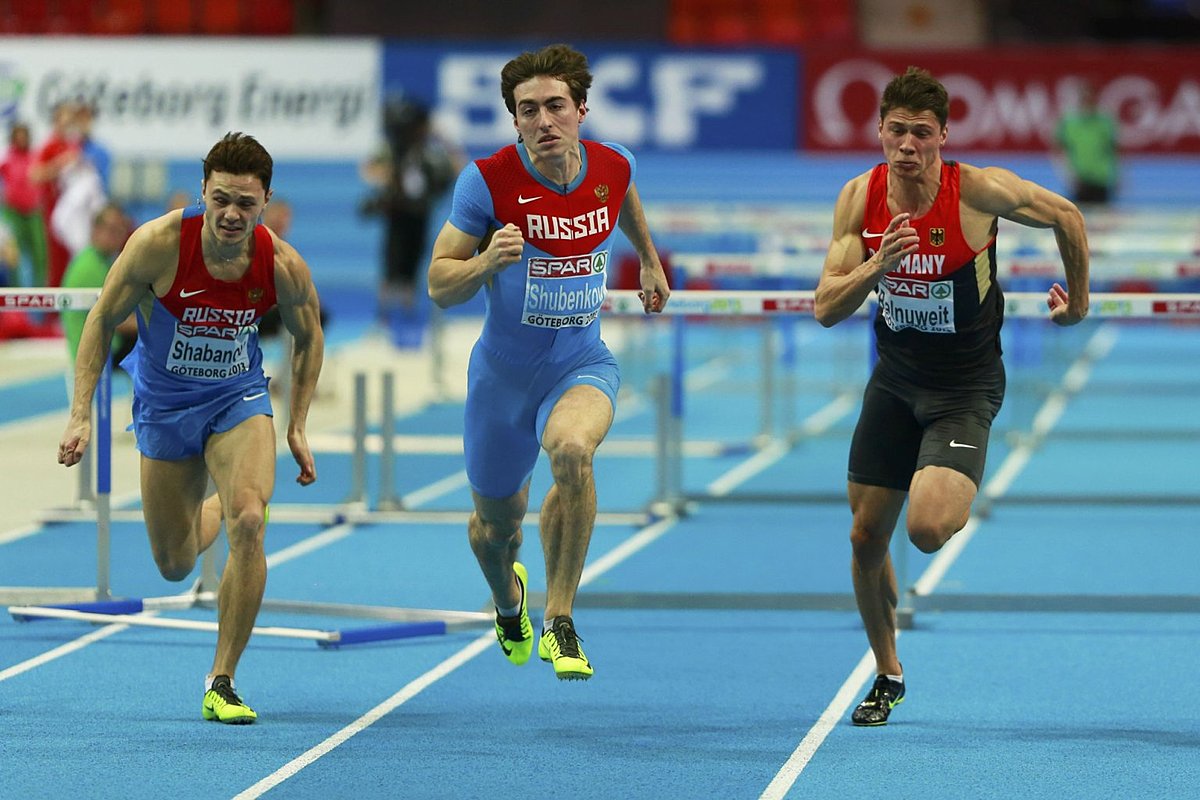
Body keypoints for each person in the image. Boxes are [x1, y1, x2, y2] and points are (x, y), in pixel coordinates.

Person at [814, 67, 1090, 726]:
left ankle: (951, 468)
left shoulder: (978, 191)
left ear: (943, 136)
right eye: (896, 131)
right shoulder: (860, 197)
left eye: (921, 133)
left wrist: (1078, 304)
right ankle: (888, 672)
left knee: (928, 528)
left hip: (965, 387)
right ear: (880, 131)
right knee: (863, 538)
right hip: (894, 381)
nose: (907, 145)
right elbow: (825, 306)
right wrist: (878, 264)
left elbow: (1067, 216)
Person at [57, 132, 325, 724]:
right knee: (174, 563)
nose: (231, 215)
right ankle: (216, 505)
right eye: (221, 199)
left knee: (251, 520)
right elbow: (101, 320)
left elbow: (309, 336)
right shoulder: (156, 245)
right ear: (203, 191)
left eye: (246, 204)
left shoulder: (279, 261)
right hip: (165, 406)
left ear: (265, 202)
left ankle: (222, 678)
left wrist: (298, 423)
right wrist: (81, 412)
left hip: (238, 398)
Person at [427, 43, 670, 681]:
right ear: (514, 120)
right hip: (502, 380)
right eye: (528, 110)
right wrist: (484, 262)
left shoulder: (613, 164)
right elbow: (437, 283)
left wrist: (647, 256)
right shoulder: (487, 181)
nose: (543, 121)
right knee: (493, 529)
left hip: (580, 362)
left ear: (581, 109)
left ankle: (561, 620)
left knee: (571, 451)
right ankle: (511, 604)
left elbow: (622, 196)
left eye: (555, 106)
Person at [360, 97, 462, 323]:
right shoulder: (393, 148)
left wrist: (443, 139)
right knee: (391, 265)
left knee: (412, 268)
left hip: (420, 213)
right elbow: (368, 169)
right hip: (397, 212)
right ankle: (383, 316)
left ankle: (408, 317)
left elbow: (458, 167)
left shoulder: (432, 151)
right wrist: (388, 179)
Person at [61, 202, 137, 374]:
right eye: (111, 229)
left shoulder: (105, 261)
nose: (117, 235)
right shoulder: (89, 266)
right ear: (95, 230)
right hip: (97, 350)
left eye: (120, 229)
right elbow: (115, 319)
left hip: (109, 342)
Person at [1055, 80, 1119, 206]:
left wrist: (1118, 176)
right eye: (1085, 97)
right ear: (1080, 99)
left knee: (1101, 220)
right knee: (1076, 218)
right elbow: (1059, 151)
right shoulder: (1068, 123)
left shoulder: (1105, 122)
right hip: (1079, 181)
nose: (1088, 100)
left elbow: (1115, 150)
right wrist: (1067, 176)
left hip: (1101, 179)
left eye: (1090, 97)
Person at [0, 122, 49, 287]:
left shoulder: (35, 156)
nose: (21, 139)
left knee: (40, 252)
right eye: (18, 136)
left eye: (24, 136)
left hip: (33, 211)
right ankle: (15, 289)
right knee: (14, 253)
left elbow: (44, 174)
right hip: (13, 212)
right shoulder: (7, 159)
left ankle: (40, 289)